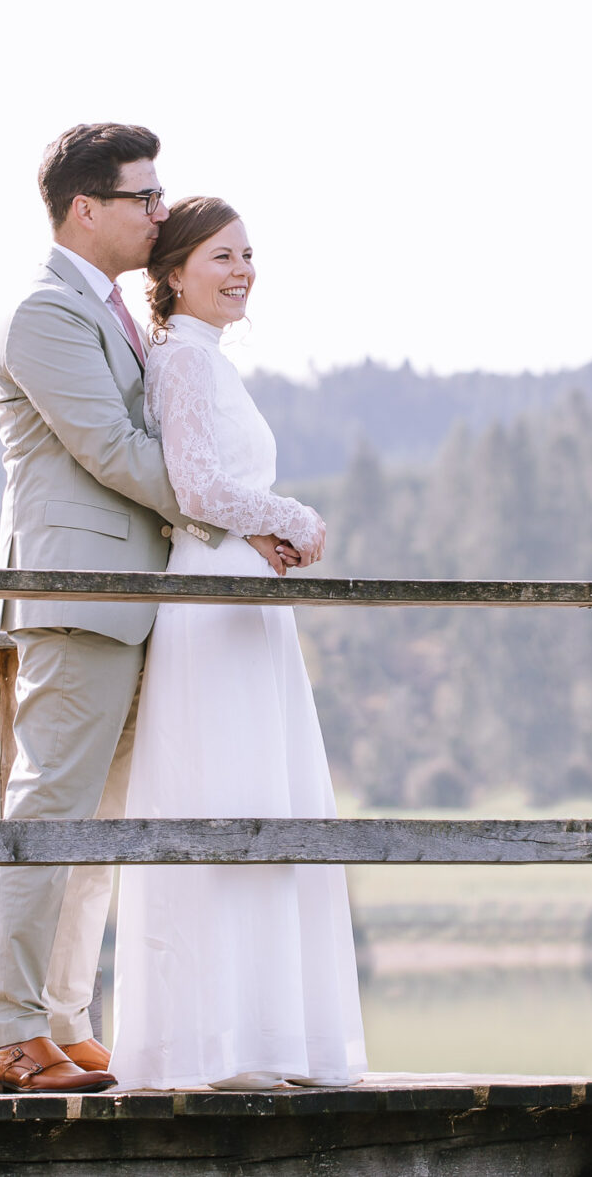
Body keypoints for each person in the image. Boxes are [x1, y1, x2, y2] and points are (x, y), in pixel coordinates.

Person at [0, 125, 286, 1095]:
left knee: (102, 827)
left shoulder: (109, 313)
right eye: (144, 198)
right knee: (52, 811)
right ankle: (11, 1032)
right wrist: (236, 510)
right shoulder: (44, 314)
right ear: (86, 208)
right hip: (83, 598)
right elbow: (113, 450)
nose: (160, 212)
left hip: (144, 598)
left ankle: (65, 1019)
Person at [109, 197, 367, 1091]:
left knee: (265, 793)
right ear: (174, 273)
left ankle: (264, 1038)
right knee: (222, 793)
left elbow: (215, 487)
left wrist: (263, 534)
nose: (243, 271)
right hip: (212, 604)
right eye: (223, 256)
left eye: (249, 255)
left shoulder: (206, 360)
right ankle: (212, 1044)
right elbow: (198, 481)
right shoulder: (183, 359)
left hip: (244, 594)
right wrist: (289, 516)